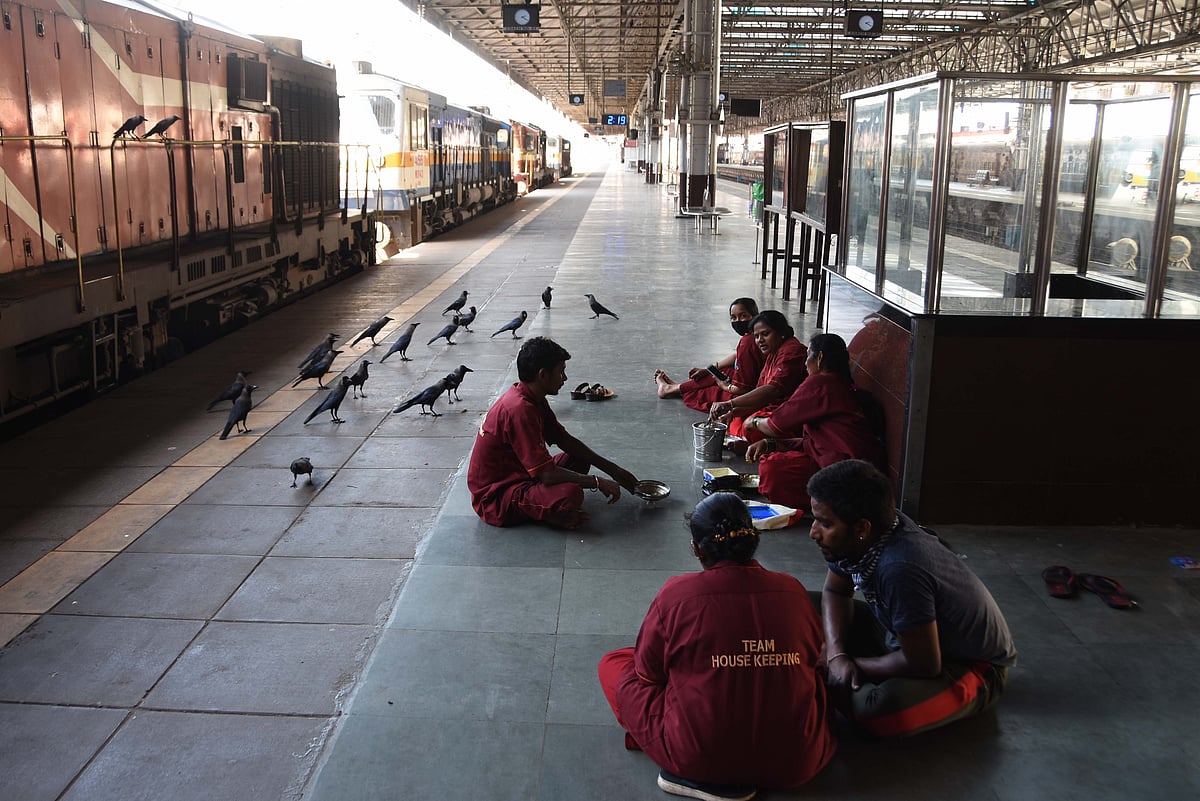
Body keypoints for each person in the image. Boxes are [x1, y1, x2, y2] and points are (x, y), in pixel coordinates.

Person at [598, 493, 835, 800]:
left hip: (700, 758)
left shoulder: (677, 595)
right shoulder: (793, 590)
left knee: (616, 665)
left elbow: (648, 675)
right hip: (796, 762)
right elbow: (814, 660)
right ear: (753, 540)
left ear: (697, 549)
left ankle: (704, 777)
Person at [807, 460, 1017, 737]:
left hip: (964, 665)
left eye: (825, 523)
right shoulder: (872, 533)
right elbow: (836, 591)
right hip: (903, 636)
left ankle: (824, 680)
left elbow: (924, 664)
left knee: (877, 710)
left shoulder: (901, 568)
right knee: (797, 605)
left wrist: (851, 664)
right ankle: (833, 677)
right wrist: (837, 655)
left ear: (861, 528)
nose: (813, 532)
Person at [467, 337, 638, 530]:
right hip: (496, 497)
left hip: (522, 474)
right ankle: (545, 512)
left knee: (580, 458)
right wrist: (596, 482)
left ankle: (542, 505)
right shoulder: (519, 410)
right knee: (571, 494)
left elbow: (562, 439)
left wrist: (614, 470)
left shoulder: (533, 397)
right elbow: (546, 475)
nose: (564, 378)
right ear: (542, 375)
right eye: (561, 371)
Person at [743, 333, 885, 511]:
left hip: (847, 472)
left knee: (773, 470)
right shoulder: (839, 382)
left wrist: (754, 421)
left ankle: (835, 503)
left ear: (819, 358)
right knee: (771, 456)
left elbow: (774, 425)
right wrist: (771, 444)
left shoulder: (821, 383)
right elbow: (817, 442)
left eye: (808, 355)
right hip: (854, 466)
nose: (804, 363)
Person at [708, 310, 808, 440]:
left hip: (789, 414)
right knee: (733, 420)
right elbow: (761, 396)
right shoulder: (773, 353)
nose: (760, 340)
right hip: (771, 408)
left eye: (765, 334)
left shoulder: (792, 351)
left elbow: (773, 390)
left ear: (781, 332)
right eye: (756, 336)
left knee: (749, 428)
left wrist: (730, 403)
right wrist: (733, 412)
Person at [653, 297, 765, 412]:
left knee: (710, 392)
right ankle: (676, 388)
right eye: (733, 317)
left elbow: (743, 388)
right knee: (721, 371)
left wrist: (725, 386)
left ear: (754, 315)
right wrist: (709, 369)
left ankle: (671, 389)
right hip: (748, 384)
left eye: (743, 316)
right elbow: (737, 356)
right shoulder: (750, 337)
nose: (738, 321)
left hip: (750, 393)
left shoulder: (748, 342)